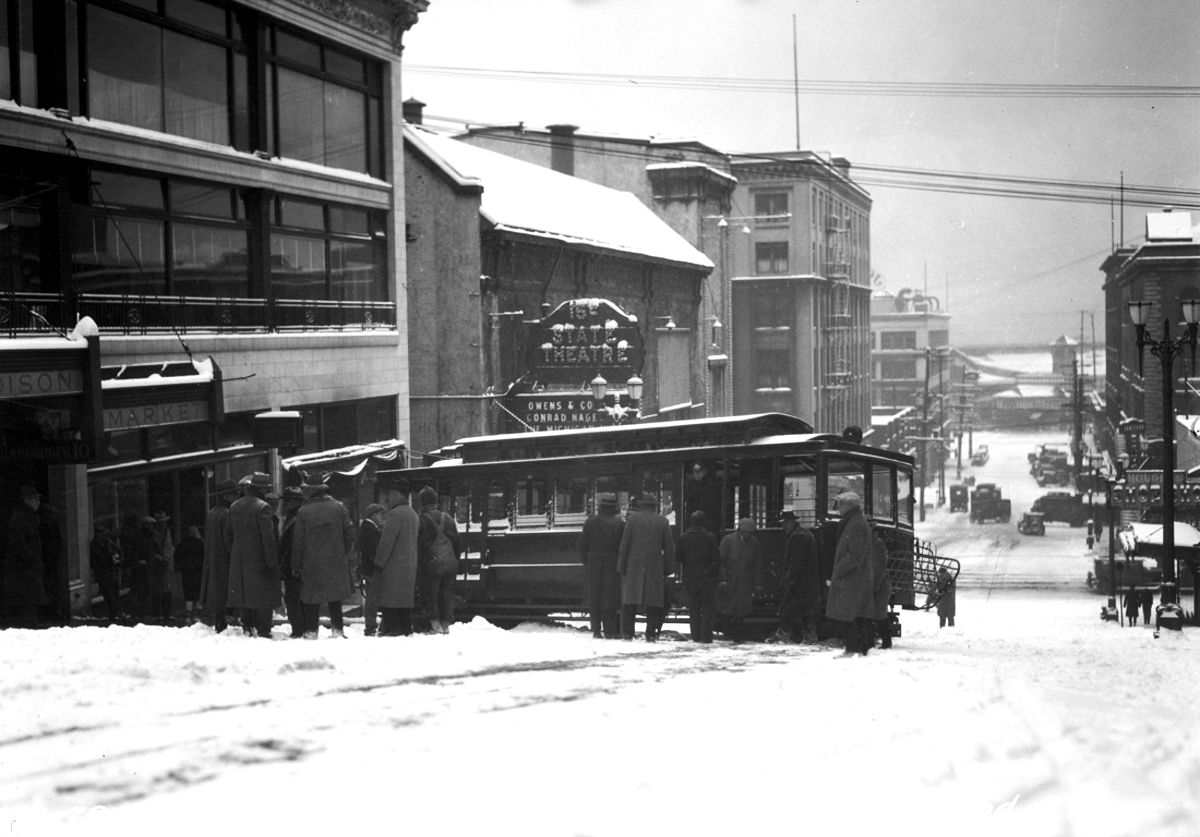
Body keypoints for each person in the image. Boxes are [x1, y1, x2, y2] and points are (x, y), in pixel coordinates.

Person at [292, 482, 355, 639]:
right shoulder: (339, 507)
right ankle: (337, 630)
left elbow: (298, 540)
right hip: (335, 559)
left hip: (311, 560)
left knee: (312, 598)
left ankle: (311, 631)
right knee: (335, 598)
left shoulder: (303, 511)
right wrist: (341, 551)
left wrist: (296, 563)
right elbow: (349, 533)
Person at [225, 473, 280, 638]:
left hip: (239, 560)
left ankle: (247, 625)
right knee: (263, 595)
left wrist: (235, 553)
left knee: (244, 593)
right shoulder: (263, 507)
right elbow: (268, 538)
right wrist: (271, 562)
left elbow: (228, 535)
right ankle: (263, 629)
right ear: (262, 488)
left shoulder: (234, 506)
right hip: (259, 559)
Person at [616, 493, 675, 641]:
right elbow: (669, 548)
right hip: (654, 567)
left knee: (629, 602)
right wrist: (668, 569)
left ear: (642, 505)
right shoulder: (662, 521)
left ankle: (627, 633)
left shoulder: (632, 519)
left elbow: (625, 545)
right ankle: (651, 634)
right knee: (653, 604)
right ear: (655, 506)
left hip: (633, 566)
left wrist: (621, 567)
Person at [825, 491, 875, 655]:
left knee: (848, 614)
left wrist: (838, 569)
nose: (838, 509)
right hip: (852, 578)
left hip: (852, 579)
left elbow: (855, 555)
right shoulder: (853, 522)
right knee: (852, 614)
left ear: (849, 506)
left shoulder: (856, 524)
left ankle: (854, 648)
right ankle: (858, 648)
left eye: (841, 505)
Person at [371, 477, 421, 637]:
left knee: (390, 605)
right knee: (404, 607)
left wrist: (378, 564)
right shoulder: (413, 515)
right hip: (409, 568)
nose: (388, 498)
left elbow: (386, 543)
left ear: (397, 494)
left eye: (390, 494)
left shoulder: (394, 515)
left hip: (393, 569)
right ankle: (405, 632)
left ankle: (393, 633)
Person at [578, 492, 625, 639]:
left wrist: (588, 561)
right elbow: (623, 546)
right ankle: (610, 630)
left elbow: (582, 545)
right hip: (613, 565)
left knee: (595, 598)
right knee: (610, 599)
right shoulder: (620, 524)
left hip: (594, 564)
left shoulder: (591, 522)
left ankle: (596, 630)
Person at [417, 485, 461, 634]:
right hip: (450, 562)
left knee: (430, 593)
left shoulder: (421, 519)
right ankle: (445, 623)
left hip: (432, 563)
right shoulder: (447, 518)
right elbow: (457, 541)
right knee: (447, 593)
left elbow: (419, 544)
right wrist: (455, 560)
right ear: (435, 501)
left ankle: (433, 624)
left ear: (422, 502)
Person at [2, 485, 46, 628]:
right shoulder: (20, 518)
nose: (38, 503)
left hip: (30, 565)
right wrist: (30, 556)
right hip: (25, 568)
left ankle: (32, 621)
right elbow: (18, 543)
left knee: (32, 596)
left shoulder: (30, 517)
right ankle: (28, 623)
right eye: (36, 499)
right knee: (27, 596)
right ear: (28, 500)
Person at [199, 479, 239, 632]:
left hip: (213, 559)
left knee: (218, 593)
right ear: (225, 495)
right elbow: (229, 539)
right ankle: (226, 621)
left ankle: (220, 622)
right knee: (227, 593)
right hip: (226, 559)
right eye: (233, 494)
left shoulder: (211, 513)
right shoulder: (228, 513)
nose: (236, 497)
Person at [675, 510, 720, 643]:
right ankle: (706, 636)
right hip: (706, 577)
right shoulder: (710, 537)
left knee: (693, 609)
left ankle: (695, 636)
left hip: (690, 577)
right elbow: (717, 559)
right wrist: (713, 575)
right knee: (707, 609)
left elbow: (679, 558)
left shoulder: (683, 537)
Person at [776, 511, 820, 644]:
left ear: (790, 522)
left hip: (800, 582)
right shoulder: (804, 534)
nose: (783, 527)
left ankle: (787, 635)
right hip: (807, 582)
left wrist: (789, 581)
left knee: (790, 610)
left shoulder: (797, 537)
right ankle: (807, 636)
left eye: (784, 523)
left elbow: (795, 563)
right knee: (806, 611)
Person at [717, 517, 761, 641]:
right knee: (728, 610)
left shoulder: (753, 542)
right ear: (740, 530)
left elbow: (757, 563)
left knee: (741, 610)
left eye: (750, 532)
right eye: (746, 532)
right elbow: (720, 561)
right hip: (730, 581)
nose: (747, 534)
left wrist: (757, 583)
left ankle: (737, 635)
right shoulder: (728, 540)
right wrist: (723, 579)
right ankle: (727, 634)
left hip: (744, 582)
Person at [277, 486, 307, 638]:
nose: (286, 503)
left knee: (293, 598)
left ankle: (298, 629)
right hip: (293, 565)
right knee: (295, 597)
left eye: (289, 500)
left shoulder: (295, 519)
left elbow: (293, 545)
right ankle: (300, 627)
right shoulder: (294, 517)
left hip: (292, 566)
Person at [357, 502, 386, 636]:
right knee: (373, 599)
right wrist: (380, 565)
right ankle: (371, 627)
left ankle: (370, 626)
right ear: (374, 515)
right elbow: (373, 553)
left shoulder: (367, 529)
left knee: (372, 598)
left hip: (368, 569)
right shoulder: (370, 531)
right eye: (380, 513)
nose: (382, 517)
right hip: (373, 570)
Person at [38, 499, 67, 624]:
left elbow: (58, 542)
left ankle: (54, 612)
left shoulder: (51, 525)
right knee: (49, 588)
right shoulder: (43, 526)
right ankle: (51, 612)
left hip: (51, 561)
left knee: (53, 587)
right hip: (47, 561)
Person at [89, 522, 126, 621]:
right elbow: (94, 562)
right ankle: (118, 613)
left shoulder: (110, 543)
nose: (105, 537)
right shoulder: (95, 547)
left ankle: (114, 617)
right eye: (103, 535)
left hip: (112, 574)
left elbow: (119, 551)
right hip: (103, 576)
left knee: (115, 595)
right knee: (110, 598)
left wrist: (118, 561)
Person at [174, 526, 205, 623]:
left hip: (186, 571)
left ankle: (188, 614)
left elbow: (177, 556)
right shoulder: (200, 544)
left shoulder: (182, 544)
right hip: (198, 571)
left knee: (188, 593)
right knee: (198, 593)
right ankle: (197, 614)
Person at [149, 510, 176, 620]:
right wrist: (159, 559)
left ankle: (166, 613)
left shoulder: (167, 533)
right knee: (159, 591)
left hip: (168, 565)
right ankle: (157, 614)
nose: (163, 524)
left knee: (168, 591)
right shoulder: (153, 534)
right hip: (158, 566)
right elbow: (151, 550)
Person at [684, 462, 722, 536]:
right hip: (693, 524)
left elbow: (713, 507)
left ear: (705, 471)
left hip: (709, 524)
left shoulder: (712, 486)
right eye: (695, 472)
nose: (697, 474)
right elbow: (689, 506)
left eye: (699, 471)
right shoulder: (690, 487)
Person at [870, 530, 893, 649]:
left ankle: (886, 642)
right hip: (875, 583)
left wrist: (874, 585)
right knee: (875, 614)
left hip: (880, 584)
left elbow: (880, 568)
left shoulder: (878, 544)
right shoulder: (869, 543)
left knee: (879, 614)